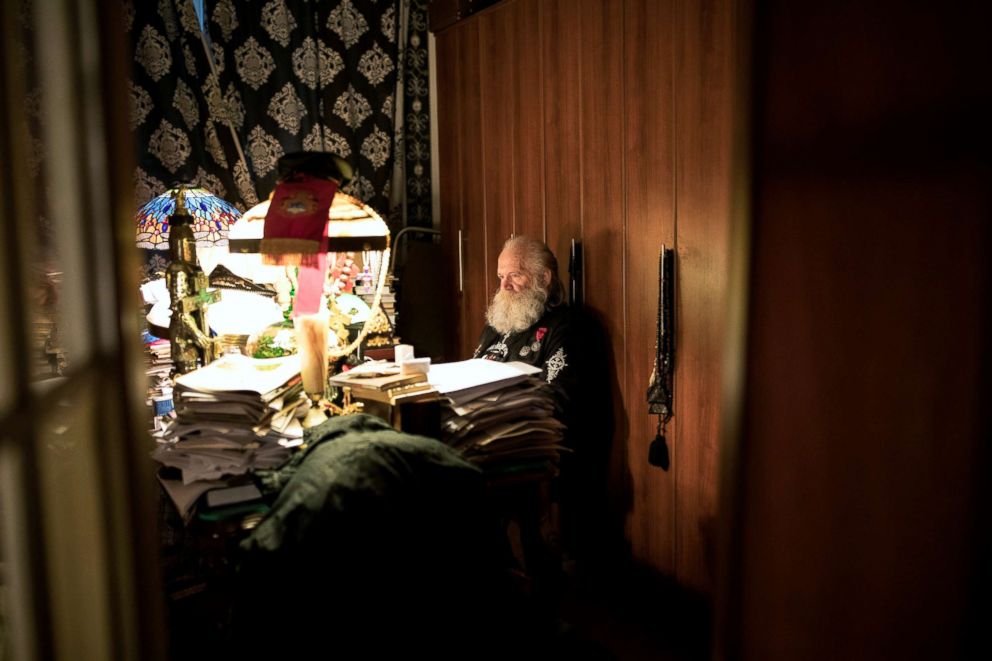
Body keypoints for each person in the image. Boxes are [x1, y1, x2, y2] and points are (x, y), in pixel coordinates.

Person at [474, 235, 576, 415]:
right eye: (501, 276)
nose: (504, 285)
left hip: (524, 434)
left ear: (544, 278)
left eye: (515, 275)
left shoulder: (567, 327)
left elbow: (555, 402)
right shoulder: (497, 323)